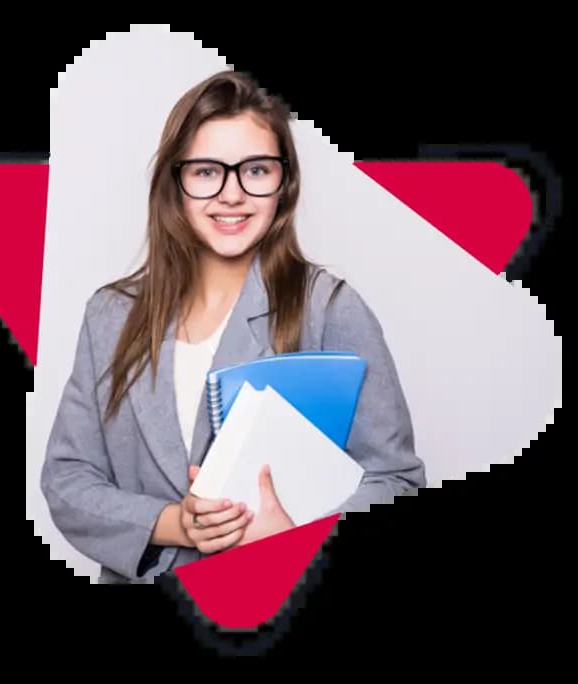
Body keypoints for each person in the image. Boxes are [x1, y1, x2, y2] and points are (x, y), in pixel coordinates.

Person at [40, 69, 426, 585]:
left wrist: (297, 541)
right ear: (174, 184)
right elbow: (67, 479)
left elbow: (396, 480)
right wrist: (173, 523)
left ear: (283, 183)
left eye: (256, 170)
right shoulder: (110, 315)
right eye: (206, 172)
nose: (231, 195)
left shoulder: (329, 308)